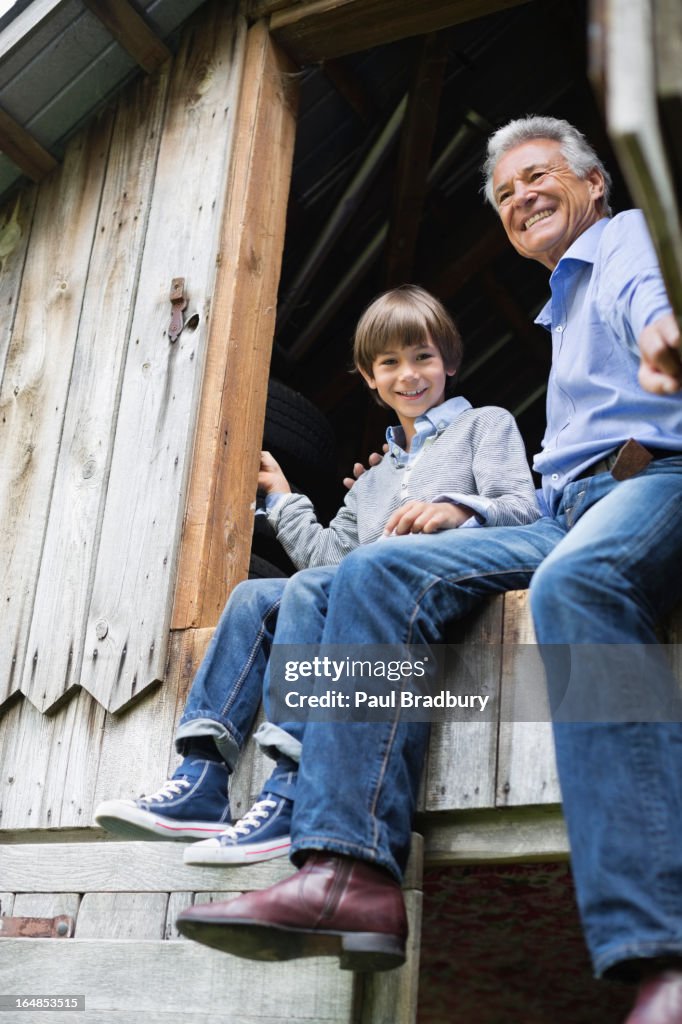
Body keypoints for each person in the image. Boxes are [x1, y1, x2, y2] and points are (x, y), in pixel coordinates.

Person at [174, 116, 682, 1024]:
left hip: (655, 476)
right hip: (567, 510)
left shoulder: (624, 244)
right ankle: (347, 871)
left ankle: (662, 947)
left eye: (538, 175)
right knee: (379, 573)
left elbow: (654, 295)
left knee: (577, 587)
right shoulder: (559, 310)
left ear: (594, 182)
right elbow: (421, 526)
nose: (520, 197)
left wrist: (664, 332)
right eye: (502, 194)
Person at [94, 284, 540, 865]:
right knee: (254, 596)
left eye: (423, 356)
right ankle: (202, 778)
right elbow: (329, 562)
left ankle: (291, 787)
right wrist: (283, 499)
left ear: (450, 361)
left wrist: (458, 509)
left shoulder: (484, 425)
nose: (409, 374)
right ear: (369, 377)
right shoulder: (376, 479)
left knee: (306, 590)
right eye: (390, 363)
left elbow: (524, 510)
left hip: (433, 597)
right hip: (359, 597)